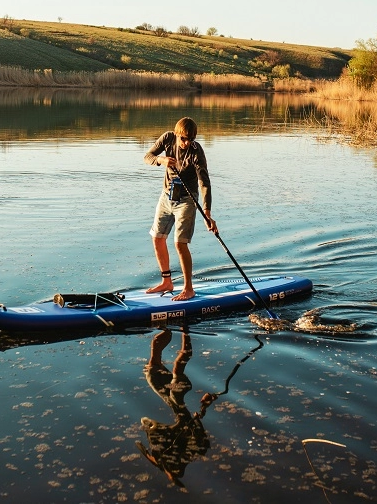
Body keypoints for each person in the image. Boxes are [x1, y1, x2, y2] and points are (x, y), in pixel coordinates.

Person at [144, 117, 217, 301]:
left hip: (187, 200)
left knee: (179, 243)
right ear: (177, 134)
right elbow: (148, 157)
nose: (186, 143)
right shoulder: (168, 138)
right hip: (166, 196)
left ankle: (188, 289)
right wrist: (161, 160)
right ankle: (167, 282)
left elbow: (204, 182)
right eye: (183, 138)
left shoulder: (196, 151)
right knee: (157, 237)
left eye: (190, 139)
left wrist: (207, 212)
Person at [136, 328, 216, 488]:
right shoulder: (196, 448)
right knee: (176, 368)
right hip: (179, 396)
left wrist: (165, 469)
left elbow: (152, 455)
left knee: (152, 369)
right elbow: (199, 417)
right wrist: (208, 401)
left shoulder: (171, 451)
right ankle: (184, 329)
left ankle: (167, 330)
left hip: (176, 402)